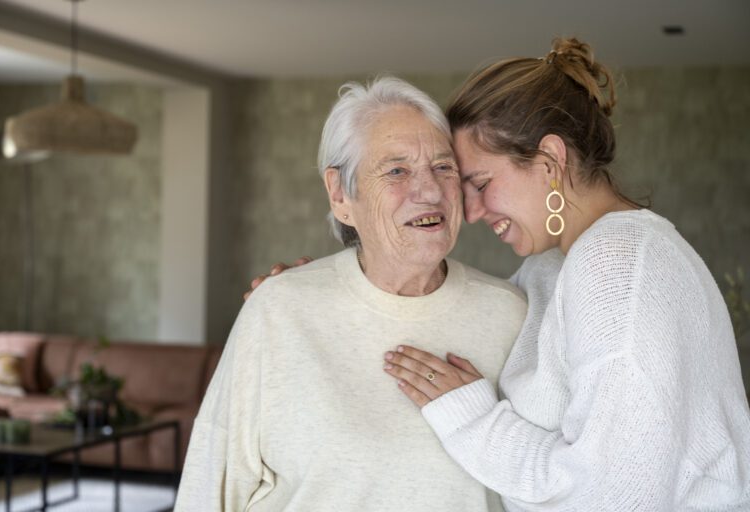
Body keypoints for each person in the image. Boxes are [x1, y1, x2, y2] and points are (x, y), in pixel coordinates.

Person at [251, 39, 750, 510]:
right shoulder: (551, 271)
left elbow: (617, 500)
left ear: (551, 161)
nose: (468, 211)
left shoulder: (620, 262)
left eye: (481, 182)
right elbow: (449, 323)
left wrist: (474, 423)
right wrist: (321, 296)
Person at [175, 76, 527, 511]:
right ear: (341, 194)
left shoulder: (511, 314)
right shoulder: (279, 309)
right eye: (396, 170)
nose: (430, 191)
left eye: (443, 167)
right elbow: (211, 486)